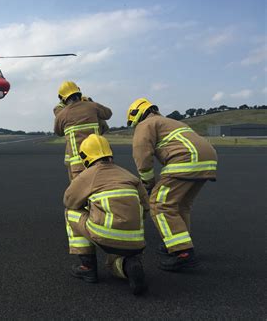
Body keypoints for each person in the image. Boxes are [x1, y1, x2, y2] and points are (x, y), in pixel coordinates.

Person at [127, 98, 217, 271]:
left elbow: (142, 154)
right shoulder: (172, 122)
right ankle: (179, 243)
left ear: (136, 115)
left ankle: (183, 252)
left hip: (186, 160)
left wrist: (148, 182)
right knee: (181, 205)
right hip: (208, 160)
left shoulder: (146, 124)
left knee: (159, 205)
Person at [63, 134, 149, 295]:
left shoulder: (88, 175)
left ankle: (87, 267)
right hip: (136, 239)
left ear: (85, 156)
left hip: (105, 233)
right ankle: (127, 266)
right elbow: (146, 207)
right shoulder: (129, 175)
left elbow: (69, 201)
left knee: (71, 212)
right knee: (113, 264)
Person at [54, 81, 112, 181]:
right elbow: (108, 114)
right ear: (79, 92)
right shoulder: (92, 106)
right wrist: (90, 102)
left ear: (62, 98)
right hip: (98, 159)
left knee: (79, 192)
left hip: (78, 165)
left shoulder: (62, 114)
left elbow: (59, 132)